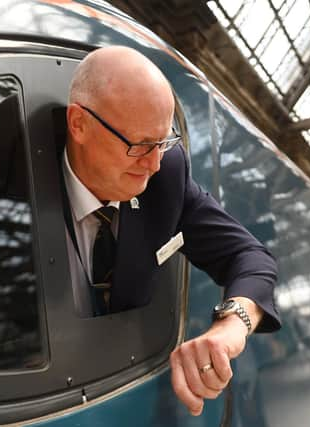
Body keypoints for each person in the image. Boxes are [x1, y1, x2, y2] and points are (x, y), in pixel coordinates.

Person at [62, 46, 281, 416]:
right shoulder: (9, 180)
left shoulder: (166, 177)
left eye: (163, 142)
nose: (153, 164)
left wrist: (231, 325)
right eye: (140, 145)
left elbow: (251, 258)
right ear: (78, 124)